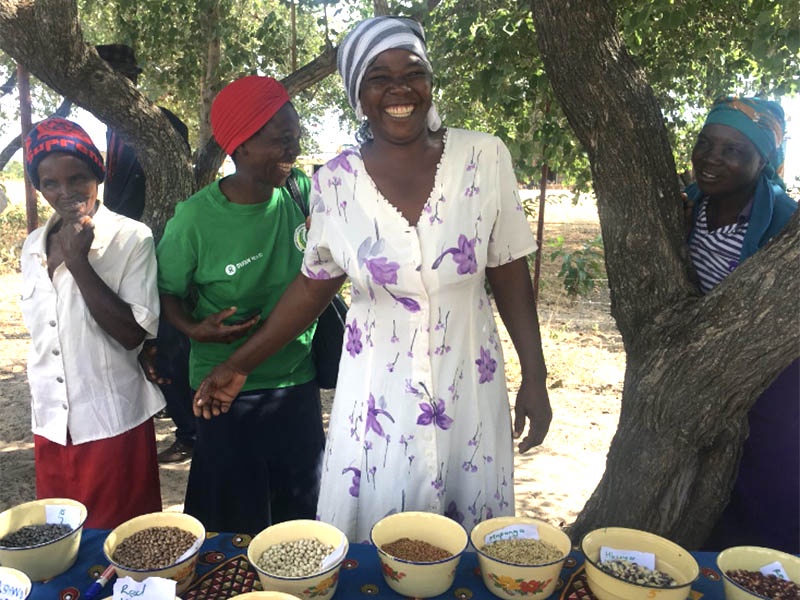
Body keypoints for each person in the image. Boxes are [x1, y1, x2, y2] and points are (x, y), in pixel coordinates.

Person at [195, 16, 553, 542]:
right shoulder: (334, 181)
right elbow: (313, 286)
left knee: (469, 532)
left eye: (413, 71)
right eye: (378, 78)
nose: (399, 89)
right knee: (382, 532)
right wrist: (240, 363)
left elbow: (509, 271)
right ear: (357, 95)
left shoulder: (483, 156)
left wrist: (536, 375)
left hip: (467, 379)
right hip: (378, 393)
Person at [156, 75, 324, 534]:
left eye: (295, 137)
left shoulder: (302, 194)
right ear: (240, 146)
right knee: (232, 523)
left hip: (295, 378)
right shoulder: (195, 220)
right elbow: (167, 292)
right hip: (222, 389)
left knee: (300, 519)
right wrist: (193, 329)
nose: (292, 150)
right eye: (280, 140)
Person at [20, 117, 164, 529]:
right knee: (61, 539)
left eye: (77, 177)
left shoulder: (130, 238)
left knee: (123, 542)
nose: (65, 193)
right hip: (51, 423)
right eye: (50, 183)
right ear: (39, 187)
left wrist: (80, 263)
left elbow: (132, 334)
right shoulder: (33, 245)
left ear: (97, 174)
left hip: (111, 422)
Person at [684, 97, 799, 553]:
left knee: (767, 482)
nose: (712, 158)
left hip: (776, 380)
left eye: (733, 150)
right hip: (703, 377)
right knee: (705, 483)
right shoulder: (689, 205)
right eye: (706, 143)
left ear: (762, 161)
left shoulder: (784, 224)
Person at [96, 43, 195, 464]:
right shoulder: (109, 132)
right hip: (121, 248)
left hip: (157, 248)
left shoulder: (161, 124)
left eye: (121, 76)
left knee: (162, 342)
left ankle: (188, 431)